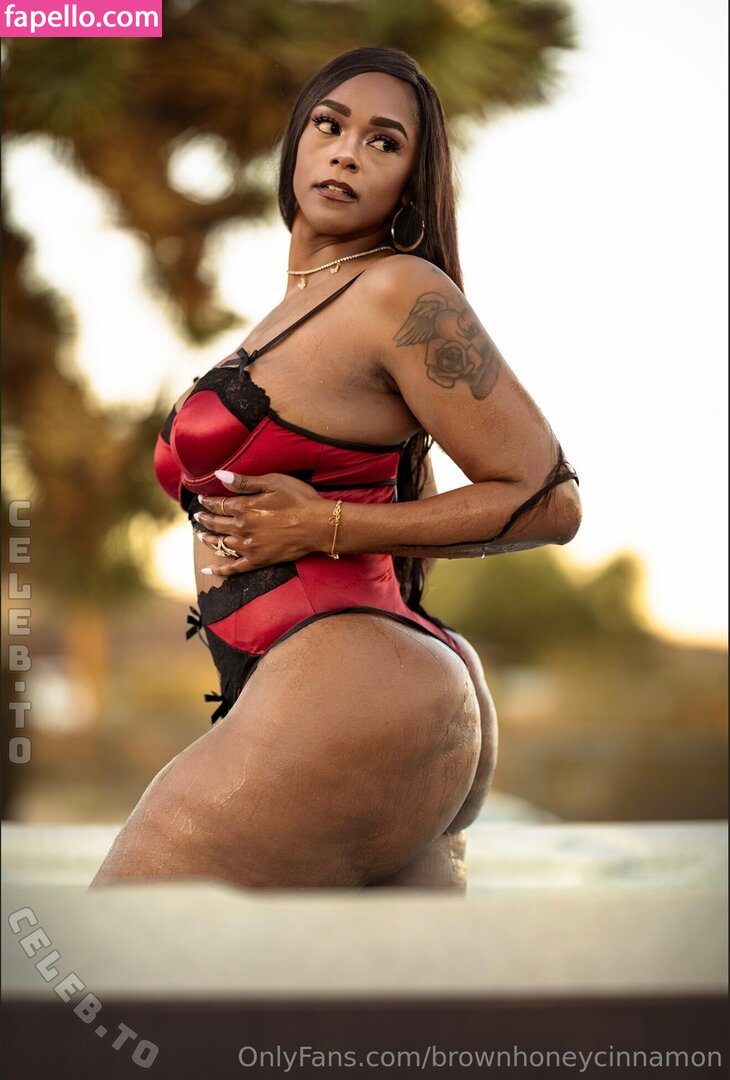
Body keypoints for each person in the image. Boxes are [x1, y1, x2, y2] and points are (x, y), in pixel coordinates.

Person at [90, 47, 580, 892]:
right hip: (339, 687)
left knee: (110, 945)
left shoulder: (397, 292)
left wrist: (327, 525)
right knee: (363, 987)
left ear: (411, 187)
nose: (348, 152)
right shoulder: (299, 309)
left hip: (347, 683)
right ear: (296, 144)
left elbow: (548, 499)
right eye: (330, 125)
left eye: (384, 143)